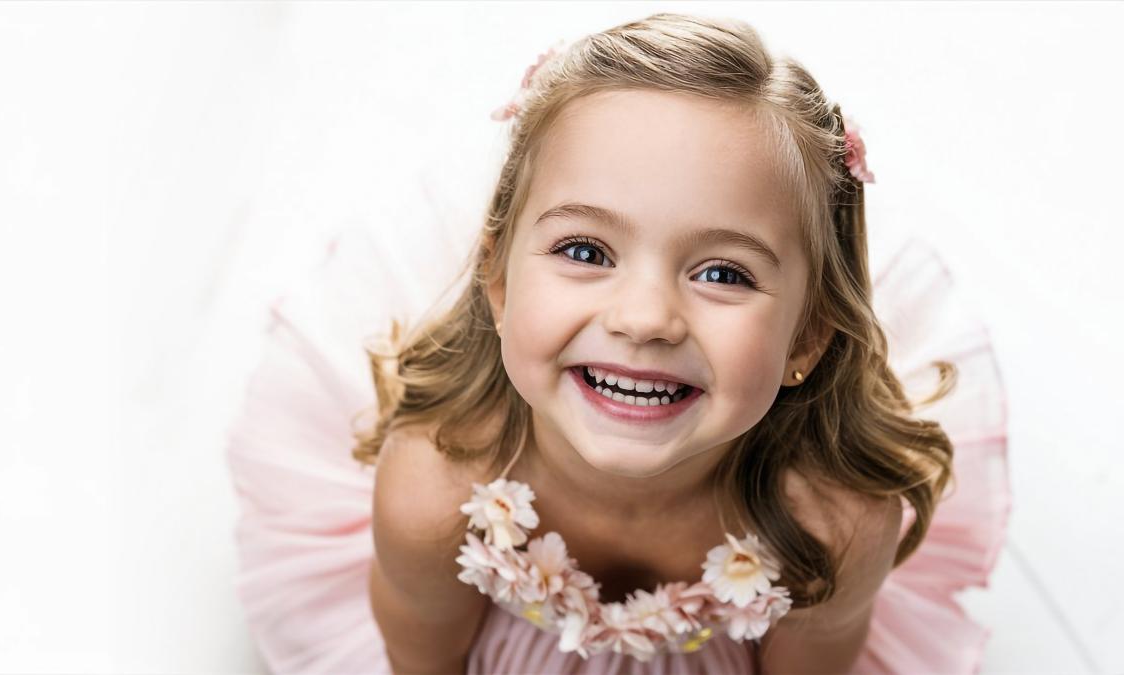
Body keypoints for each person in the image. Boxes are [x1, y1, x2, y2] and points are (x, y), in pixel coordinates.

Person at [226, 12, 1010, 674]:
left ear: (806, 336)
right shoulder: (433, 496)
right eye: (586, 251)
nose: (645, 318)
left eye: (722, 272)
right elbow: (421, 656)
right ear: (498, 282)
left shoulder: (833, 528)